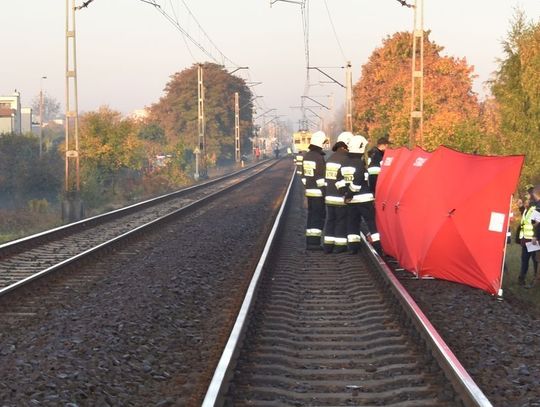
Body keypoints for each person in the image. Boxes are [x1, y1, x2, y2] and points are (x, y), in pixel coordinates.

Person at [339, 135, 380, 254]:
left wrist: (345, 194)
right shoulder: (359, 164)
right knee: (371, 223)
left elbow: (339, 180)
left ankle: (353, 248)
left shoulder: (344, 163)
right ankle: (378, 247)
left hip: (351, 201)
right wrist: (350, 193)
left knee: (352, 223)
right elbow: (357, 182)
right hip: (364, 199)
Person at [322, 131, 352, 254]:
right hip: (340, 196)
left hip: (329, 196)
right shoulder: (345, 159)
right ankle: (340, 246)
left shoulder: (330, 159)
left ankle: (328, 246)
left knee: (330, 220)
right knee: (341, 221)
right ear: (346, 146)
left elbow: (326, 178)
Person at [301, 131, 328, 250]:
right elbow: (321, 177)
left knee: (311, 216)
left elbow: (303, 176)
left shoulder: (307, 156)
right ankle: (315, 243)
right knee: (318, 216)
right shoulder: (318, 157)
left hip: (309, 191)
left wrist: (308, 186)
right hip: (318, 193)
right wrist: (324, 192)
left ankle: (310, 241)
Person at [517, 198, 539, 286]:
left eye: (527, 201)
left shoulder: (534, 211)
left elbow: (538, 223)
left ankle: (535, 280)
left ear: (531, 203)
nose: (525, 202)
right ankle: (522, 280)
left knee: (535, 261)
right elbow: (525, 217)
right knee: (525, 260)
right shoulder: (526, 210)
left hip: (532, 241)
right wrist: (520, 206)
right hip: (525, 240)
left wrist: (535, 236)